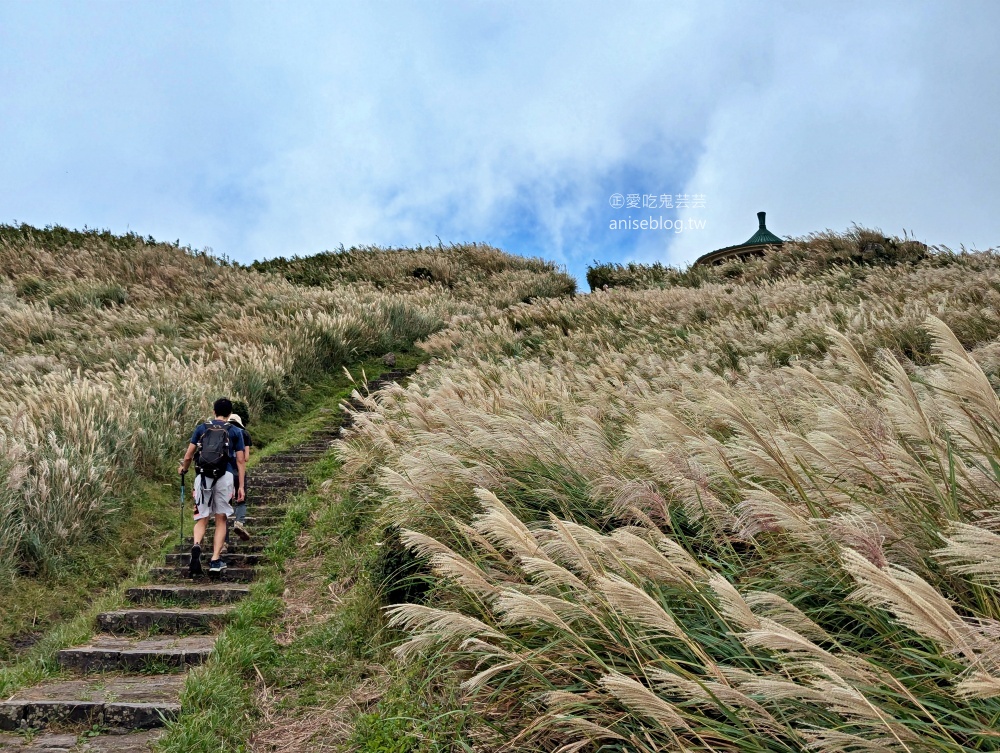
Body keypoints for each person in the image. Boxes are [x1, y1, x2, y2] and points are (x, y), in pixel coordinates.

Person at [178, 398, 245, 575]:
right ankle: (215, 560)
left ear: (214, 411)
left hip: (202, 476)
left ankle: (197, 545)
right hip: (225, 476)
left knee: (202, 517)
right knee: (221, 518)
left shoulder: (201, 428)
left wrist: (183, 469)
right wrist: (241, 486)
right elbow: (240, 461)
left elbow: (188, 456)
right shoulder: (236, 431)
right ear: (230, 414)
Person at [227, 413, 252, 541]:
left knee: (223, 509)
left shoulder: (222, 431)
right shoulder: (244, 433)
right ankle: (239, 522)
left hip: (224, 473)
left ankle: (223, 543)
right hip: (238, 473)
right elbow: (245, 458)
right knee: (241, 499)